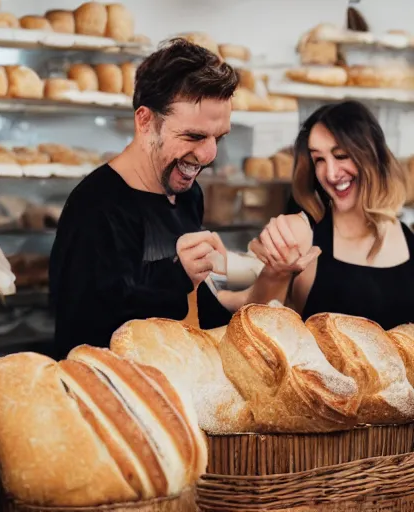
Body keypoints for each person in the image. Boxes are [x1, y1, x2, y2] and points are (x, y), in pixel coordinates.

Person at [48, 38, 238, 359]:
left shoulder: (190, 195)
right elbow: (83, 331)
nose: (208, 155)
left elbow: (196, 309)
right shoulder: (95, 208)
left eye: (218, 138)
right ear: (145, 121)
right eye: (194, 136)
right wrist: (175, 275)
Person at [240, 100, 413, 329]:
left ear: (373, 155)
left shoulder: (407, 239)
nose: (330, 174)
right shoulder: (302, 235)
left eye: (341, 155)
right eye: (319, 160)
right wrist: (274, 273)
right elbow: (257, 326)